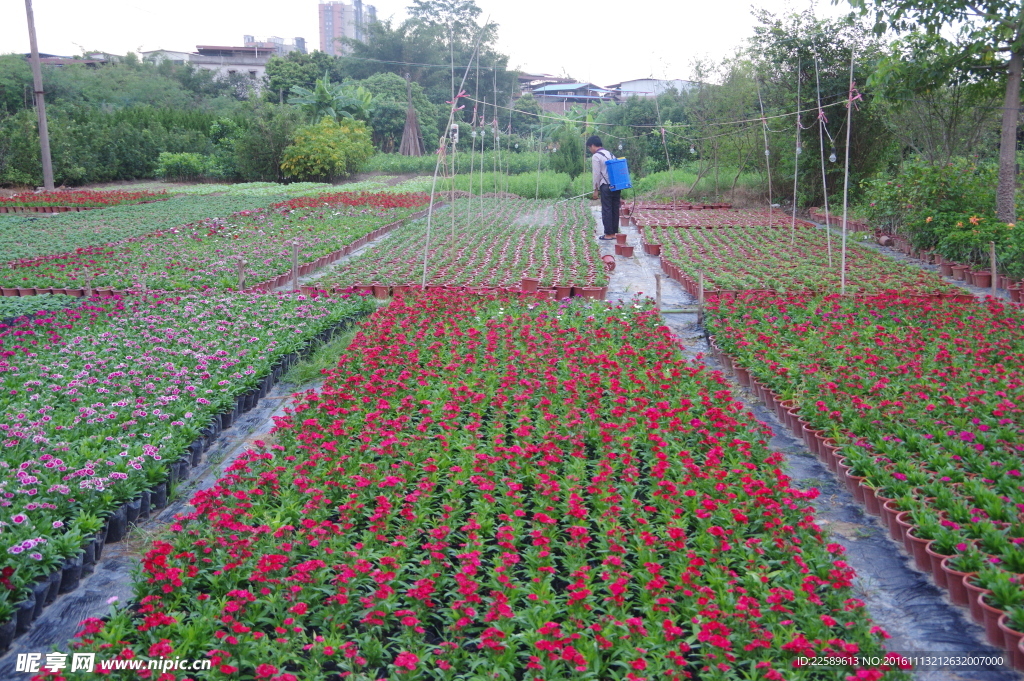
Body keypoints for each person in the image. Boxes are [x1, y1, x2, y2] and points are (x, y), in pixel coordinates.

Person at [588, 135, 620, 240]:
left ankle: (608, 234)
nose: (590, 150)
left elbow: (596, 174)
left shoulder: (596, 156)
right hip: (616, 185)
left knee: (606, 209)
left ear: (592, 145)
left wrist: (595, 190)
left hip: (605, 186)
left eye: (589, 148)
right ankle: (614, 233)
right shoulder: (610, 154)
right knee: (615, 209)